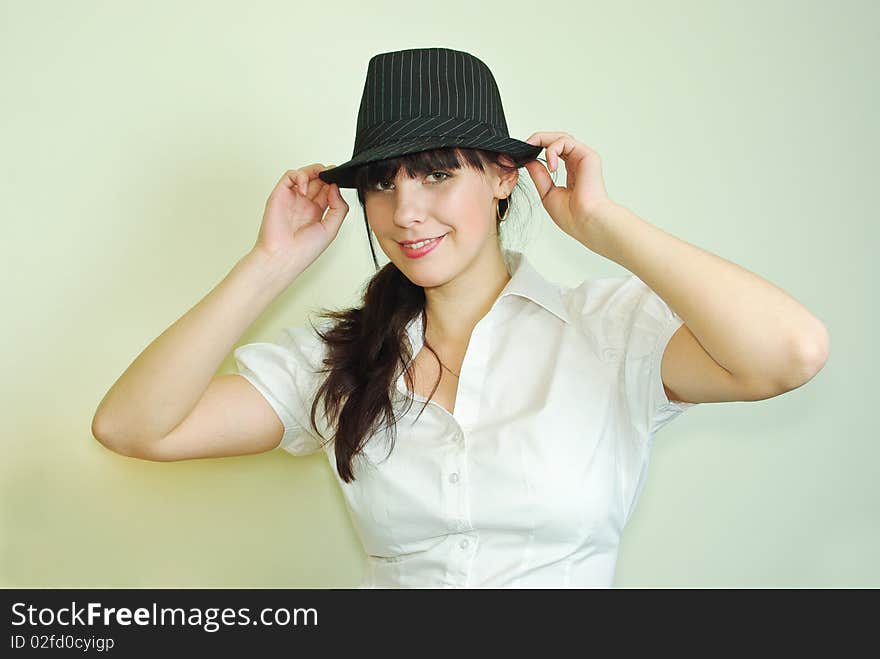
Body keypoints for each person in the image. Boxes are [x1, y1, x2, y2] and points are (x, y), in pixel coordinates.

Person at [91, 47, 829, 588]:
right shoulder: (340, 358)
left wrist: (602, 221)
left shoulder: (608, 330)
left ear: (504, 176)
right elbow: (133, 425)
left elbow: (790, 351)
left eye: (437, 172)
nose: (405, 211)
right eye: (382, 183)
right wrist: (272, 263)